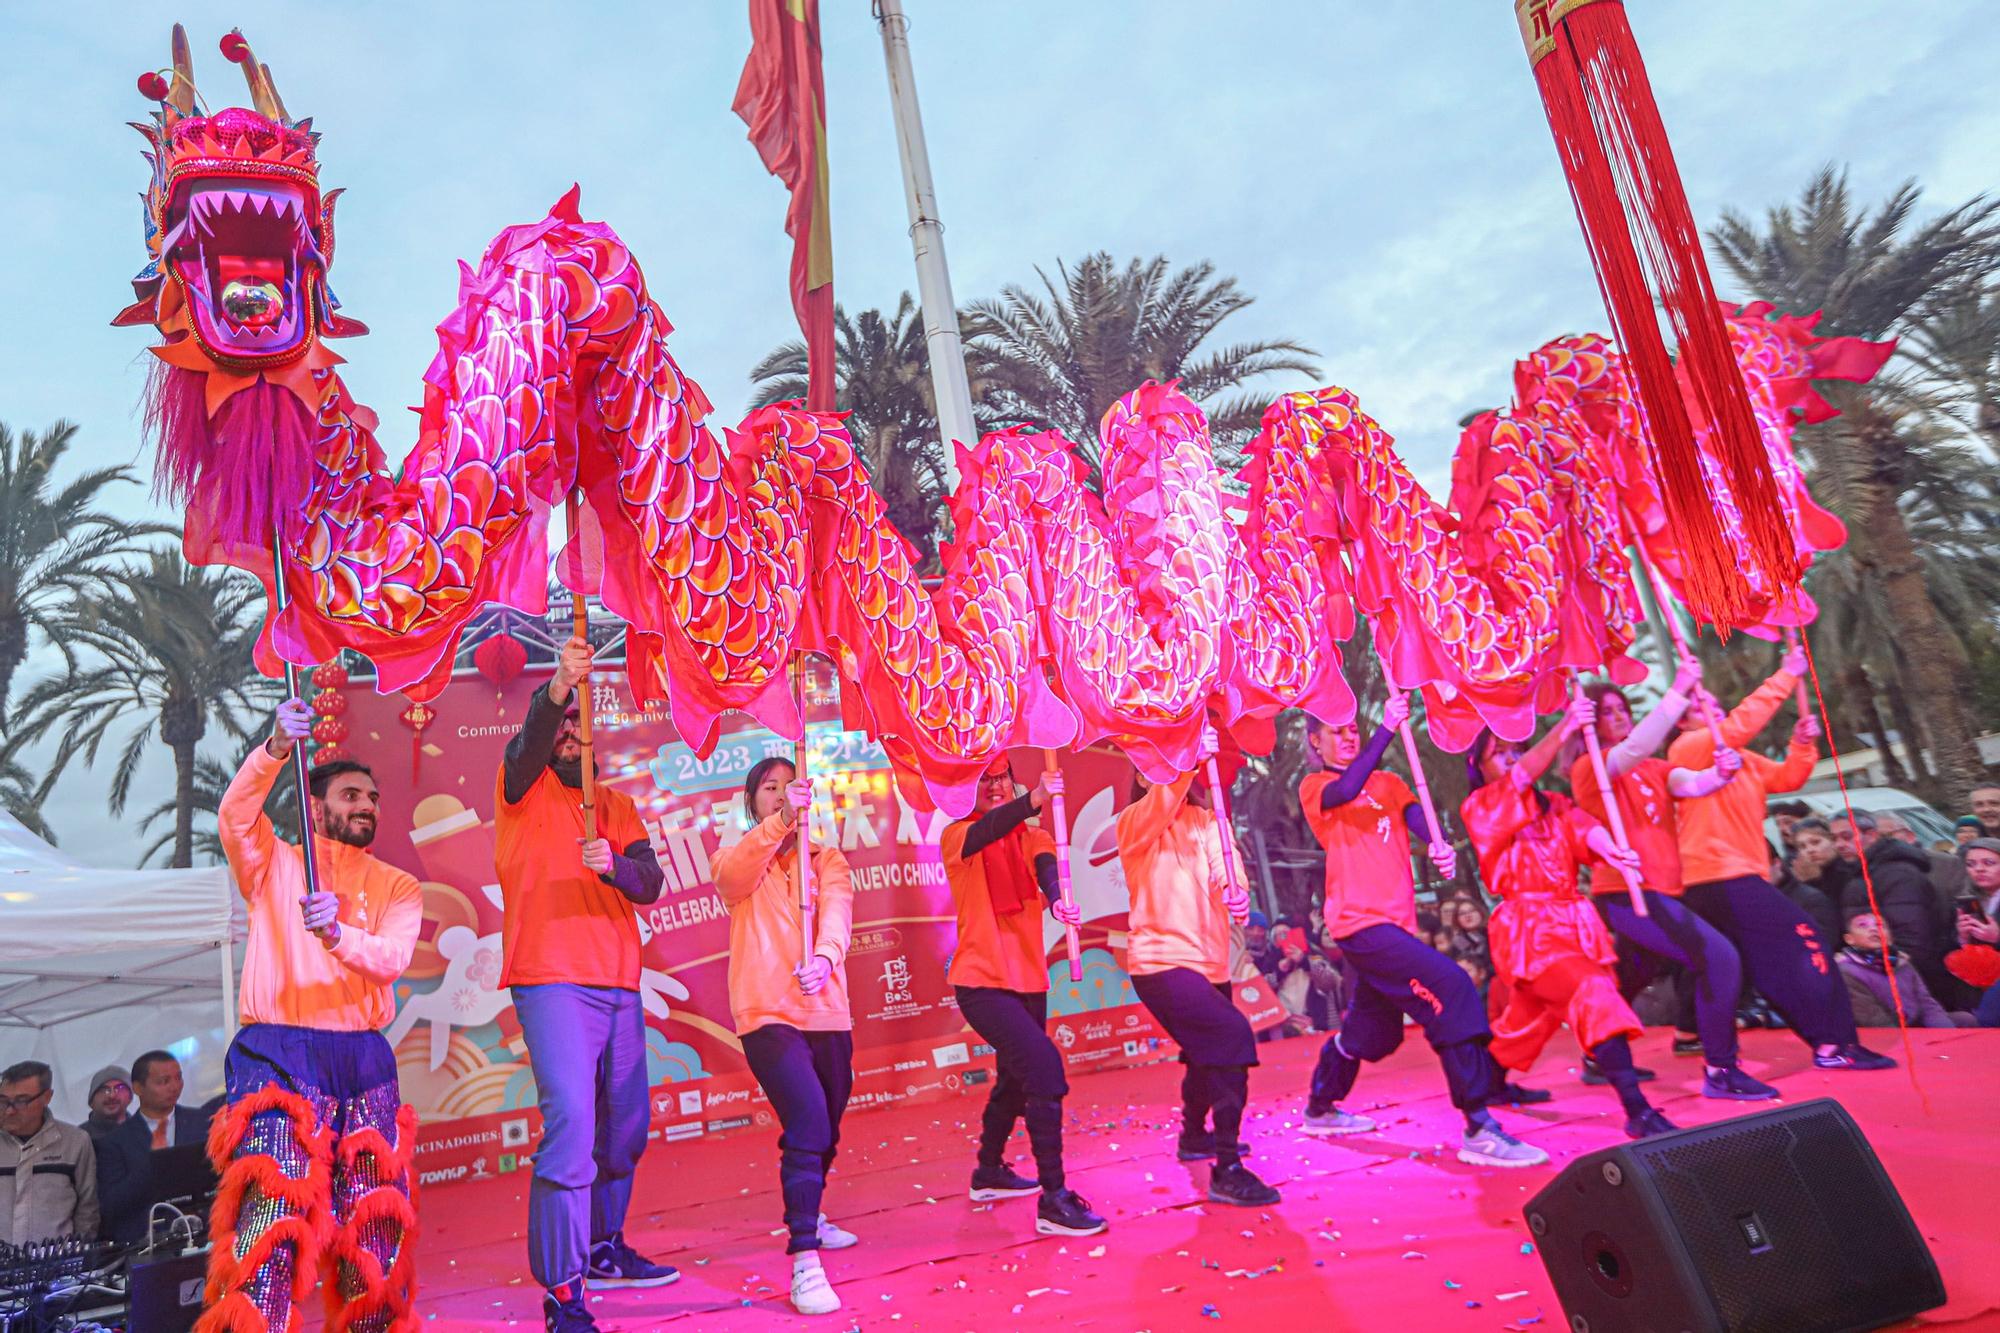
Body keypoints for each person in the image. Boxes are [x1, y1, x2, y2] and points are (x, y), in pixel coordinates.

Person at [207, 699, 422, 1333]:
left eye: (373, 798)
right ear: (316, 803)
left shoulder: (397, 886)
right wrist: (274, 748)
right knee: (273, 1216)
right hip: (279, 1053)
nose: (366, 806)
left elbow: (389, 960)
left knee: (371, 1229)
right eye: (351, 794)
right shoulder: (273, 861)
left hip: (361, 1056)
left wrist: (337, 934)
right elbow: (235, 813)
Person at [496, 637, 677, 1332]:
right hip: (551, 979)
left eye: (579, 726)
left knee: (625, 1127)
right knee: (572, 1122)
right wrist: (559, 689)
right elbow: (529, 743)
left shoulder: (619, 807)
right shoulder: (520, 789)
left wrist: (615, 868)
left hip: (620, 984)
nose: (570, 734)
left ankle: (603, 1245)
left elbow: (651, 883)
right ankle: (564, 1288)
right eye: (563, 727)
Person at [1295, 700, 1551, 1166]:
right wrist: (1386, 730)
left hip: (1396, 925)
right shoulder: (1317, 787)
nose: (1350, 736)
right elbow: (1348, 789)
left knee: (1374, 1035)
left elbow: (1420, 823)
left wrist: (1438, 845)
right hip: (1360, 923)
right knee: (1452, 987)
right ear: (1316, 740)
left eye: (1355, 729)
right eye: (1338, 731)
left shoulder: (1390, 784)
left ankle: (1320, 1104)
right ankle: (1478, 1123)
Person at [1666, 655, 1893, 1071]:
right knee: (1807, 944)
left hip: (1732, 877)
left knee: (1757, 967)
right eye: (1702, 708)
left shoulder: (1744, 758)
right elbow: (1741, 724)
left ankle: (1823, 1045)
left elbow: (1788, 779)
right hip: (1721, 876)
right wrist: (1788, 674)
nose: (1716, 712)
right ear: (1681, 723)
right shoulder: (1687, 749)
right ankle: (1834, 1043)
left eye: (1716, 705)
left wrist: (1802, 744)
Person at [1462, 703, 1678, 1140]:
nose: (1513, 760)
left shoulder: (1555, 804)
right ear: (1478, 767)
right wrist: (1565, 725)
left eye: (1516, 750)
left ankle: (1490, 1084)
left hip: (1573, 921)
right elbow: (1522, 777)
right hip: (1531, 931)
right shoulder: (1481, 806)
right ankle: (1636, 1109)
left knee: (1529, 1020)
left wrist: (1611, 849)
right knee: (1592, 992)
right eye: (1500, 753)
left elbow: (1583, 829)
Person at [1568, 669, 1778, 1101]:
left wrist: (1722, 772)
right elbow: (1635, 748)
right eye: (1606, 712)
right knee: (1718, 959)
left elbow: (1693, 784)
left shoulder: (1657, 767)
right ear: (1590, 723)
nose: (1619, 716)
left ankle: (1596, 1051)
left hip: (1665, 890)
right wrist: (1678, 690)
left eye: (1622, 708)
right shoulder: (1589, 767)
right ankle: (1721, 1070)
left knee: (1629, 977)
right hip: (1625, 893)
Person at [714, 756, 858, 1317]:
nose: (778, 795)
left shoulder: (828, 859)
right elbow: (730, 879)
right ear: (753, 801)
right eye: (768, 789)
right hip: (767, 1011)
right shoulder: (738, 857)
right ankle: (804, 1257)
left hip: (827, 1009)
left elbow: (838, 916)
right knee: (807, 1120)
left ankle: (812, 1208)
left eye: (787, 786)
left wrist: (825, 960)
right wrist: (777, 828)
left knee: (828, 1125)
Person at [1116, 726, 1282, 1206]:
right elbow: (1166, 796)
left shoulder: (1211, 821)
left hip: (1211, 964)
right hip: (1161, 961)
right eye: (1152, 768)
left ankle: (1194, 1137)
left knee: (1201, 1052)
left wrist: (1234, 890)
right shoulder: (1132, 823)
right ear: (1141, 779)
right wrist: (1189, 754)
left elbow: (1226, 867)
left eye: (1167, 765)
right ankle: (1228, 1168)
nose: (1162, 775)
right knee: (1230, 1036)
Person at [939, 756, 1103, 1238]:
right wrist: (1029, 800)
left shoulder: (1034, 837)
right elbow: (989, 828)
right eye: (984, 780)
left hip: (1029, 981)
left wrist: (1059, 899)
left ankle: (988, 1171)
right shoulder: (958, 837)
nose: (994, 786)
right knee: (1044, 1070)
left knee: (1014, 1080)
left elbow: (1046, 868)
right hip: (981, 982)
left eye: (1001, 778)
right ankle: (1054, 1198)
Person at [96, 1049, 213, 1245]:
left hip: (204, 1234)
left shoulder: (202, 1123)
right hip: (149, 1242)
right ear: (138, 1088)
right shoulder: (114, 1142)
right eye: (163, 1082)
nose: (174, 1087)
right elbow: (111, 1206)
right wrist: (154, 1162)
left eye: (178, 1078)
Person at [1841, 812, 1953, 1001]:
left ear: (1871, 835)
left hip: (1907, 981)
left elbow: (1912, 940)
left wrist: (1888, 976)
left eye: (1846, 836)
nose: (1840, 845)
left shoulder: (1899, 874)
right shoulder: (1860, 873)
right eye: (1833, 838)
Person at [1, 1060, 98, 1246]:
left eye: (21, 1101)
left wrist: (79, 1252)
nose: (9, 1110)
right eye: (3, 1100)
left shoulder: (75, 1142)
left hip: (54, 1264)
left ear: (47, 1097)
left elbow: (88, 1208)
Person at [1836, 914, 1972, 1028]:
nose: (1873, 929)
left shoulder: (1902, 963)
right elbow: (1872, 1019)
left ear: (1890, 937)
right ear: (1849, 939)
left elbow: (1925, 1002)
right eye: (1863, 925)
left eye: (1880, 925)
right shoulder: (1847, 971)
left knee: (1965, 1019)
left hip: (1914, 1025)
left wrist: (1945, 1034)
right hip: (1881, 1033)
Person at [1776, 819, 1846, 954]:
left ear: (1832, 842)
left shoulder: (1847, 873)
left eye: (1816, 842)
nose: (1810, 850)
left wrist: (1813, 882)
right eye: (1802, 846)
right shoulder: (1797, 877)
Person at [1954, 838, 2000, 1027]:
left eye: (1989, 863)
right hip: (1979, 983)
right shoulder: (1967, 898)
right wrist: (1962, 937)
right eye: (1971, 864)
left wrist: (1997, 937)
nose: (1979, 869)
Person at [78, 1066, 131, 1142]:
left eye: (120, 1088)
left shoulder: (146, 1134)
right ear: (91, 1102)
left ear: (130, 1097)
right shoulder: (77, 1140)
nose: (112, 1095)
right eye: (103, 1089)